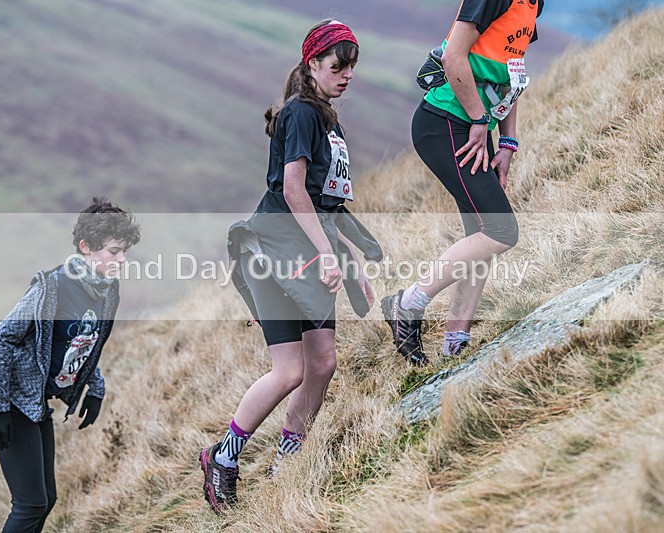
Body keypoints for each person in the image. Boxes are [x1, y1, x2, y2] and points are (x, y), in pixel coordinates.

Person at [200, 20, 382, 514]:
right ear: (312, 66)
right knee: (289, 370)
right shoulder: (301, 113)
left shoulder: (327, 119)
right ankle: (223, 457)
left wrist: (350, 259)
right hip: (275, 254)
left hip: (307, 253)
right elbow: (294, 188)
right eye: (337, 66)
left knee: (323, 364)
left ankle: (287, 462)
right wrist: (326, 253)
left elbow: (328, 203)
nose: (346, 76)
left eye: (351, 67)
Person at [382, 0, 544, 365]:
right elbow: (454, 56)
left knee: (481, 234)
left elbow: (510, 72)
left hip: (470, 127)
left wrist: (507, 141)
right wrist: (477, 119)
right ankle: (407, 305)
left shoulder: (534, 3)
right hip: (444, 123)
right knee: (502, 231)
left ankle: (456, 344)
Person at [0, 197, 140, 532]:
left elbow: (86, 342)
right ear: (86, 247)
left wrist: (95, 388)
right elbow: (1, 340)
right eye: (114, 252)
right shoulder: (52, 288)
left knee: (46, 499)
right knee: (30, 505)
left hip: (35, 402)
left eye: (125, 251)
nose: (122, 260)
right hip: (11, 400)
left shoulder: (107, 291)